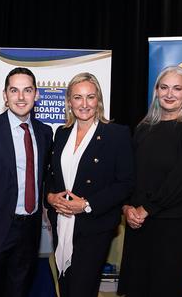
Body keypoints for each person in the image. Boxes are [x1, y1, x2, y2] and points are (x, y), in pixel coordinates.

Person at [117, 66, 182, 297]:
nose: (170, 94)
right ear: (156, 91)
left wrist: (147, 208)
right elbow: (129, 175)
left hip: (172, 230)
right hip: (138, 225)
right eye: (164, 87)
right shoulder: (143, 128)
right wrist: (127, 207)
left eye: (177, 88)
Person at [0, 67, 53, 297]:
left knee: (20, 291)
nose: (21, 97)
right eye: (14, 90)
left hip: (30, 231)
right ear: (5, 95)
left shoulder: (45, 133)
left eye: (27, 90)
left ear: (37, 94)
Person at [45, 73, 134, 297]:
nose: (84, 104)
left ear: (99, 100)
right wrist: (50, 197)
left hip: (94, 227)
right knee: (64, 288)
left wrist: (86, 204)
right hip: (62, 223)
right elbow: (51, 176)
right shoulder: (62, 133)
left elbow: (125, 183)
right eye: (78, 97)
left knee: (81, 290)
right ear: (69, 102)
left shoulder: (116, 134)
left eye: (90, 97)